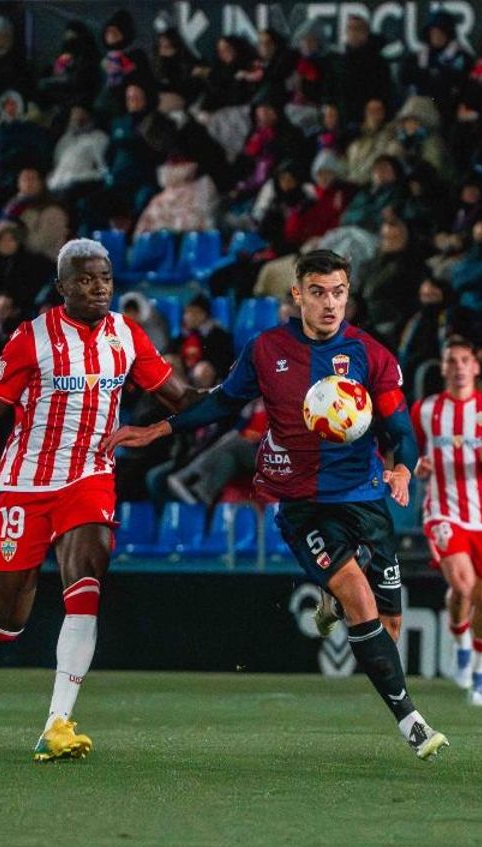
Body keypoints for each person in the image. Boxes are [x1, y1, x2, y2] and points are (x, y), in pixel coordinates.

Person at [105, 249, 449, 760]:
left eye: (338, 292)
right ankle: (412, 723)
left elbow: (400, 428)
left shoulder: (372, 356)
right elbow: (223, 401)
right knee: (360, 598)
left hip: (363, 495)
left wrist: (402, 467)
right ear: (297, 294)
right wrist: (159, 427)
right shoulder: (266, 350)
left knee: (387, 624)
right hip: (301, 501)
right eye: (318, 292)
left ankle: (334, 599)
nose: (329, 303)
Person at [0, 239, 201, 763]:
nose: (98, 287)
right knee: (8, 626)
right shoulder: (30, 339)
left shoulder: (126, 336)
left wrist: (242, 392)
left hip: (90, 478)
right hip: (24, 486)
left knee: (86, 583)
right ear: (62, 288)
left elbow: (180, 398)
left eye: (104, 277)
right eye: (85, 279)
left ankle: (57, 721)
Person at [412, 336, 482, 706]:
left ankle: (478, 672)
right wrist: (417, 465)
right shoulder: (425, 411)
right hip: (442, 511)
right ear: (443, 368)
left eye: (465, 360)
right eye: (452, 361)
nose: (459, 366)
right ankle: (460, 645)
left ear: (476, 368)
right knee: (462, 585)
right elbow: (404, 454)